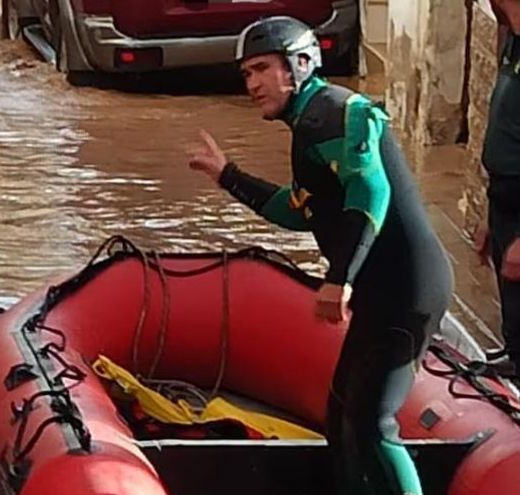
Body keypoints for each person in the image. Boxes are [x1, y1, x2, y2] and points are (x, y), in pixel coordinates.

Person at [186, 16, 453, 495]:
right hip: (382, 291)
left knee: (374, 423)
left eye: (263, 68)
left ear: (301, 64)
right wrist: (228, 175)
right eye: (246, 73)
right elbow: (297, 211)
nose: (252, 83)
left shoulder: (333, 111)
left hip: (407, 288)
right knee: (340, 410)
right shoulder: (310, 124)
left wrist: (339, 278)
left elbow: (372, 191)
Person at [473, 0, 520, 375]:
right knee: (510, 287)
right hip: (504, 191)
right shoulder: (512, 42)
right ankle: (515, 355)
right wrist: (489, 216)